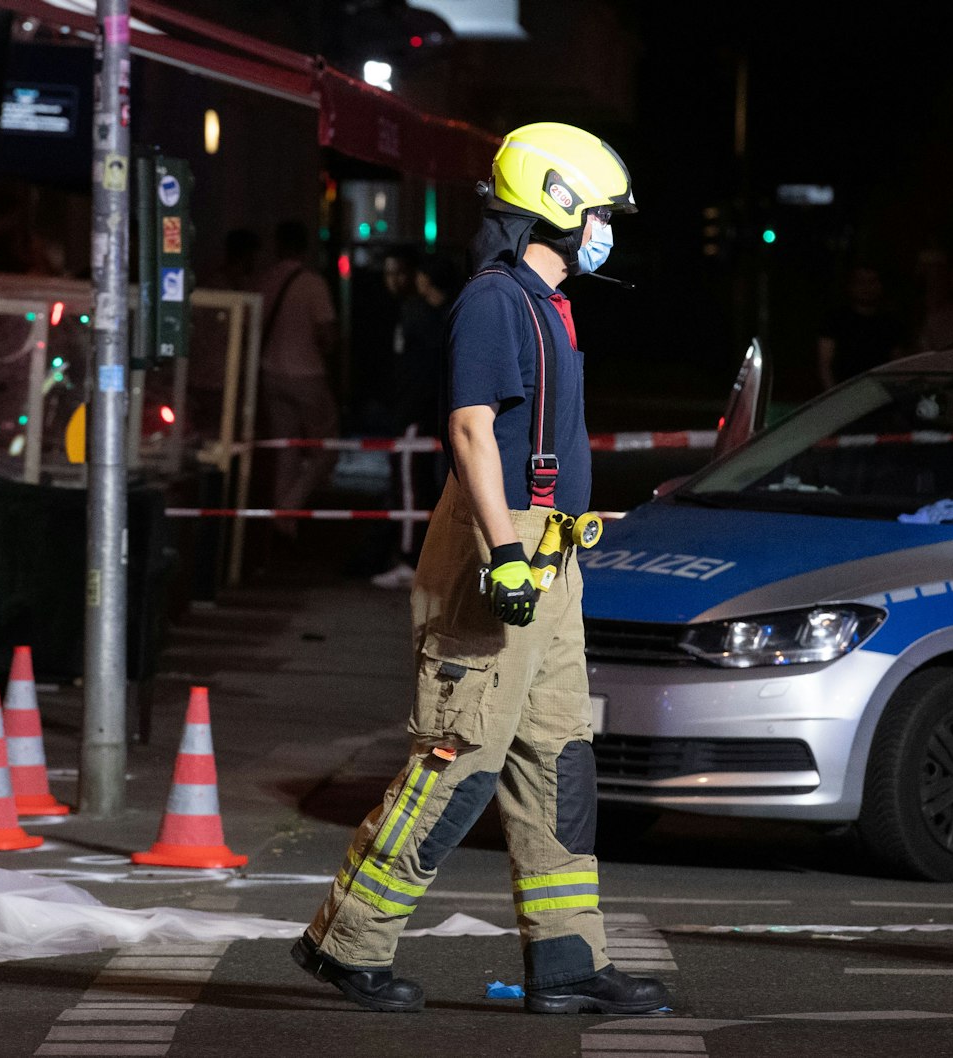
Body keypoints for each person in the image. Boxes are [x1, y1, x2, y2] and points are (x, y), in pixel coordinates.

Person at [294, 122, 669, 1016]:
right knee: (458, 758)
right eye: (601, 213)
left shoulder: (546, 308)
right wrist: (506, 553)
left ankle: (569, 964)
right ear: (559, 205)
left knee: (557, 764)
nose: (607, 230)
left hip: (549, 558)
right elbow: (470, 431)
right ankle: (345, 943)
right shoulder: (496, 302)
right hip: (501, 555)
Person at [369, 251, 458, 590]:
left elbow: (412, 370)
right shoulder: (454, 316)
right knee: (427, 485)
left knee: (408, 485)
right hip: (436, 411)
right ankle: (432, 558)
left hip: (414, 412)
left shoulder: (418, 315)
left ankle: (409, 559)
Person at [255, 220, 339, 537]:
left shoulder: (265, 281)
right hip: (306, 373)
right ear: (305, 248)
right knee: (326, 448)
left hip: (270, 372)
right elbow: (327, 334)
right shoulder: (312, 284)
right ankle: (289, 506)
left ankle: (282, 517)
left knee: (286, 447)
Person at [816, 264, 906, 391]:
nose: (867, 287)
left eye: (872, 281)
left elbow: (898, 362)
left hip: (880, 394)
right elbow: (824, 364)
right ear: (850, 286)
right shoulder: (835, 320)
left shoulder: (890, 323)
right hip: (843, 392)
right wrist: (833, 394)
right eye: (861, 282)